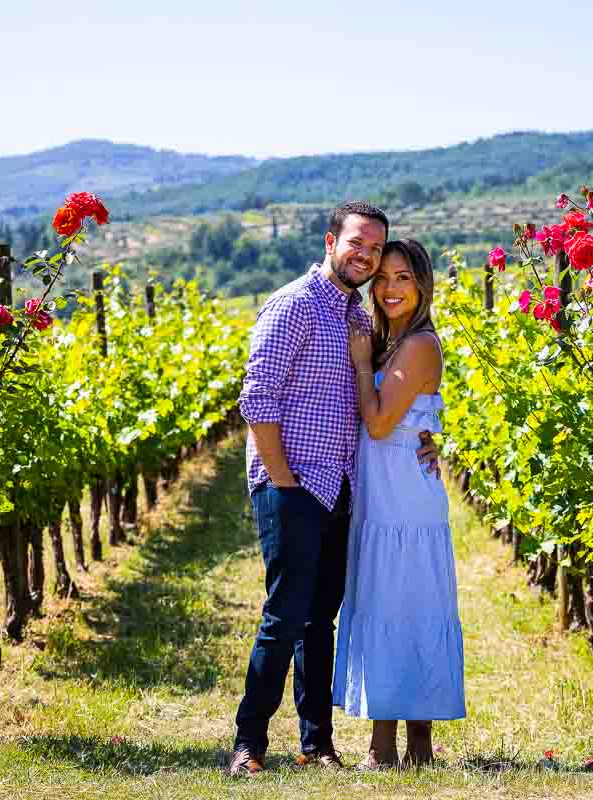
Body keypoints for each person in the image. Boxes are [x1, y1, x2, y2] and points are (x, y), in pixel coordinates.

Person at [230, 202, 439, 777]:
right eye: (357, 244)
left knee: (320, 619)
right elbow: (257, 397)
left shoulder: (358, 318)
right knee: (284, 614)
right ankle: (249, 743)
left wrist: (430, 438)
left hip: (341, 485)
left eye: (375, 249)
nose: (366, 256)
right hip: (292, 481)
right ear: (331, 242)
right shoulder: (293, 305)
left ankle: (316, 743)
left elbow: (401, 397)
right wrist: (280, 478)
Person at [334, 238, 465, 768]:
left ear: (422, 285)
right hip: (383, 495)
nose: (390, 288)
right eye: (383, 277)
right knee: (390, 605)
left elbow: (383, 421)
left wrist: (363, 364)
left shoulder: (417, 345)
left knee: (407, 605)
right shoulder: (393, 343)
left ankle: (404, 747)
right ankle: (400, 746)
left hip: (405, 503)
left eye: (403, 277)